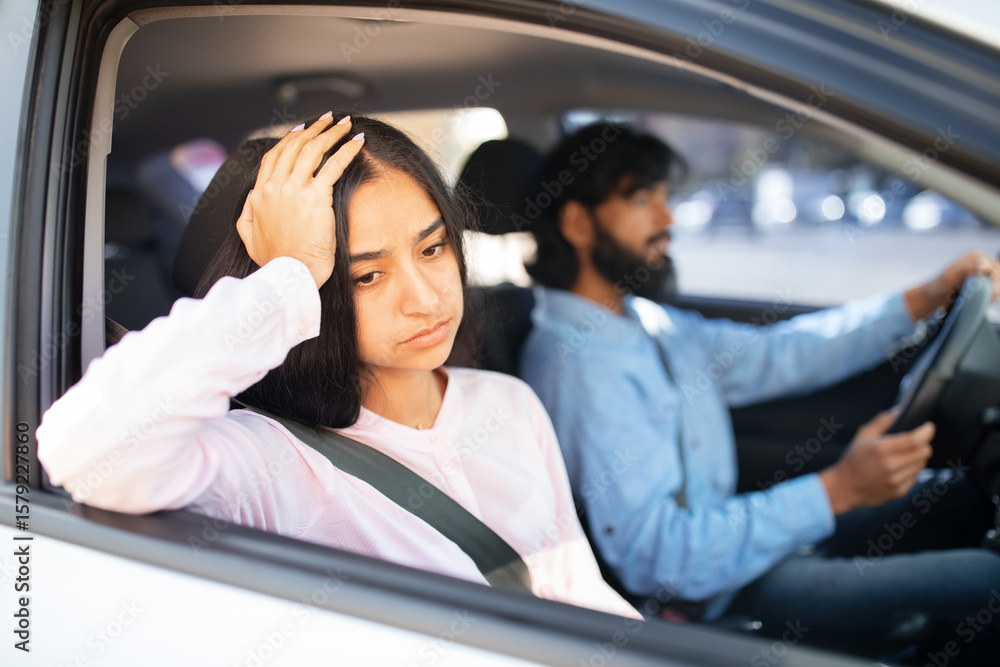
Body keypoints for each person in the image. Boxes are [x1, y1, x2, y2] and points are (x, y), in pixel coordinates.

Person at [36, 114, 639, 618]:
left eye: (432, 248)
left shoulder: (508, 403)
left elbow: (579, 596)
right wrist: (287, 276)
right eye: (367, 276)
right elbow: (86, 450)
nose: (425, 298)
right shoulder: (271, 463)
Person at [519, 122, 1000, 660]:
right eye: (641, 199)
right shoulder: (578, 366)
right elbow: (660, 560)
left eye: (664, 197)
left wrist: (922, 299)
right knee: (986, 582)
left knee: (958, 495)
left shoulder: (647, 323)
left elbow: (781, 354)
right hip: (709, 598)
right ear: (578, 224)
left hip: (740, 548)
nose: (667, 218)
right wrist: (837, 489)